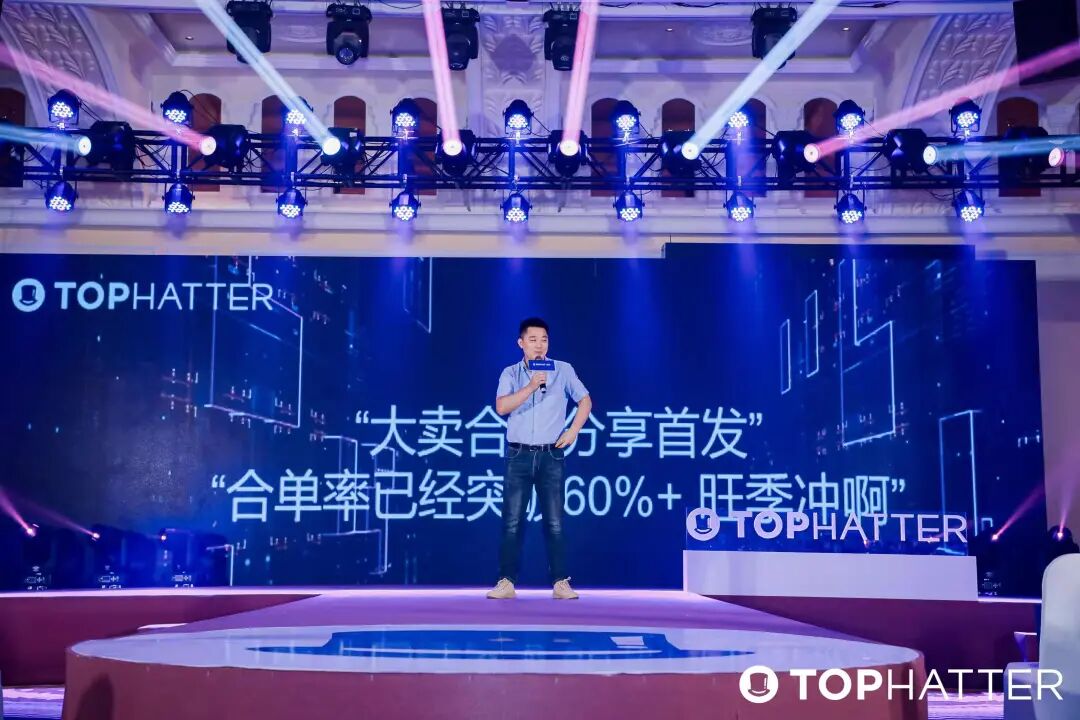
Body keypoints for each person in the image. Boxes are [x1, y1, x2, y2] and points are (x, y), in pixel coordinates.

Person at [486, 317, 593, 600]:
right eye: (533, 340)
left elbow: (585, 400)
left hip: (551, 455)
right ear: (521, 343)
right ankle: (506, 582)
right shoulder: (510, 373)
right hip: (519, 454)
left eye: (544, 339)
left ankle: (560, 582)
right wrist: (532, 386)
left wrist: (573, 430)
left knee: (555, 522)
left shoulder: (563, 370)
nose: (539, 345)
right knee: (512, 522)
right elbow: (501, 406)